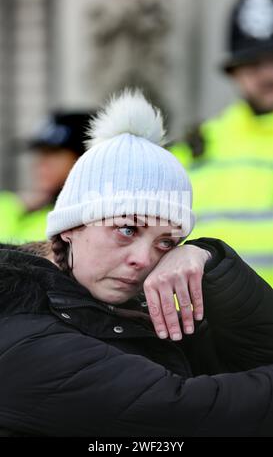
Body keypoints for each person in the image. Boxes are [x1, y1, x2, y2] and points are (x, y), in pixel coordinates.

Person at [0, 89, 273, 437]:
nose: (144, 260)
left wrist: (209, 259)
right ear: (70, 227)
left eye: (167, 242)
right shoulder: (21, 331)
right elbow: (190, 414)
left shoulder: (132, 310)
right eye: (126, 229)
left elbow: (257, 357)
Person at [169, 0, 273, 286]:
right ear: (235, 72)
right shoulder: (196, 147)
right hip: (205, 326)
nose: (267, 74)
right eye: (254, 64)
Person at [0, 111, 94, 243]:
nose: (40, 164)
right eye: (40, 153)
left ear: (83, 158)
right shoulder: (13, 205)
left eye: (53, 153)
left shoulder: (89, 221)